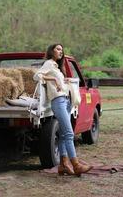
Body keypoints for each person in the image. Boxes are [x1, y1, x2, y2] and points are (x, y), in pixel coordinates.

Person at [33, 43, 93, 176]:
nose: (61, 51)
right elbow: (36, 76)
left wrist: (63, 80)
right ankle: (76, 165)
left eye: (62, 49)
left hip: (65, 100)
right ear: (51, 51)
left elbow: (58, 83)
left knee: (63, 135)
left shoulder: (57, 67)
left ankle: (63, 165)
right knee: (69, 133)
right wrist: (53, 78)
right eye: (58, 49)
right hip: (58, 102)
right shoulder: (48, 63)